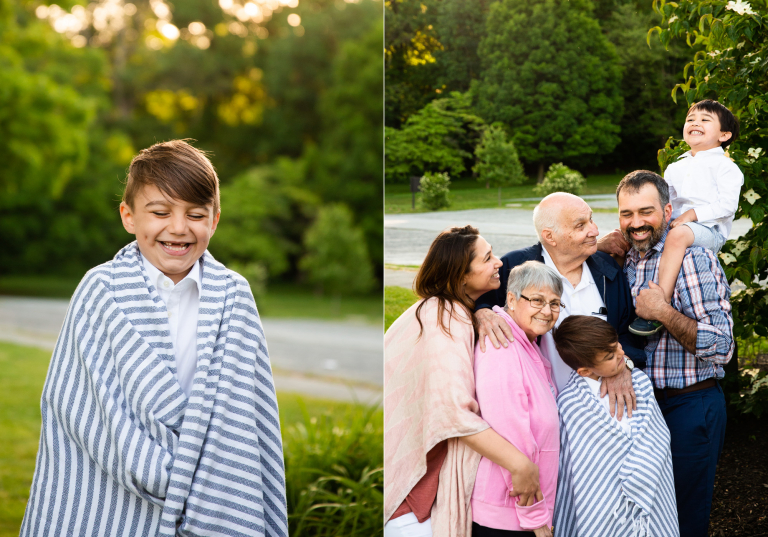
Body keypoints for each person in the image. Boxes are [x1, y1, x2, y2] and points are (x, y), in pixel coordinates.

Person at [20, 140, 287, 537]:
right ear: (128, 216)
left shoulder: (234, 296)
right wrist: (171, 475)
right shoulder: (101, 290)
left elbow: (246, 410)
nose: (178, 228)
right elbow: (79, 404)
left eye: (196, 215)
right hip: (113, 489)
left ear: (214, 221)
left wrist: (201, 481)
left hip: (214, 485)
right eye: (160, 212)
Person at [384, 226, 543, 537]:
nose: (498, 262)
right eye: (487, 259)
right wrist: (521, 466)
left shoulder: (445, 310)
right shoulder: (447, 316)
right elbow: (452, 412)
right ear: (460, 277)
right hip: (416, 508)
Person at [617, 170, 733, 537]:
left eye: (646, 212)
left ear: (669, 211)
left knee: (684, 517)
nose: (636, 223)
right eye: (626, 214)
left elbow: (723, 347)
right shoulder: (626, 259)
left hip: (690, 406)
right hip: (641, 410)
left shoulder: (693, 258)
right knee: (645, 515)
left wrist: (663, 312)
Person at [475, 192, 644, 419]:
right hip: (537, 412)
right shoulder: (514, 266)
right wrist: (481, 312)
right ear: (550, 236)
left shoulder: (607, 268)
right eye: (580, 225)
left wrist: (623, 366)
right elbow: (479, 297)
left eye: (591, 220)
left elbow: (628, 331)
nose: (594, 230)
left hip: (603, 410)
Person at [552, 315, 678, 537]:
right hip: (603, 509)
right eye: (610, 356)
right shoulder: (569, 405)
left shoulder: (638, 382)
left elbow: (658, 437)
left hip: (652, 493)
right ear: (584, 371)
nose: (622, 353)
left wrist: (638, 473)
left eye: (617, 344)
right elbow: (574, 472)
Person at [629, 99, 742, 336]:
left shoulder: (726, 167)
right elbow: (665, 203)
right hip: (677, 227)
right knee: (636, 232)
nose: (695, 122)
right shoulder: (675, 167)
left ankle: (661, 302)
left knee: (678, 234)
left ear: (724, 134)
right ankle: (629, 298)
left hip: (709, 231)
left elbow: (727, 206)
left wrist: (693, 215)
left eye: (704, 119)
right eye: (690, 119)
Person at [471, 261, 563, 537]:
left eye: (555, 303)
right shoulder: (502, 345)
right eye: (537, 300)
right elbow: (511, 436)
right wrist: (535, 517)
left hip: (525, 512)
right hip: (509, 514)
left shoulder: (532, 342)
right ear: (511, 299)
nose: (547, 311)